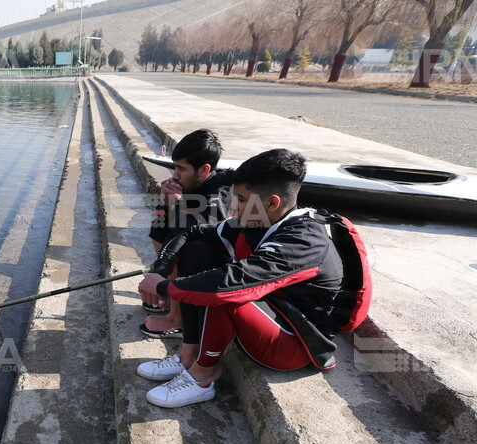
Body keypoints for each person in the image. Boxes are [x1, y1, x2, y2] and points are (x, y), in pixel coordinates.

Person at [136, 148, 345, 408]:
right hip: (270, 311)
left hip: (294, 343)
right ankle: (188, 355)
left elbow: (229, 284)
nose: (233, 207)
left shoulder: (303, 241)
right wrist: (161, 269)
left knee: (226, 290)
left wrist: (165, 287)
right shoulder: (259, 220)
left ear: (271, 203)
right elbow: (190, 232)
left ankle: (203, 375)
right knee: (197, 250)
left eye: (242, 199)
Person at [142, 128, 232, 339]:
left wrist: (177, 204)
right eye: (174, 167)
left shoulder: (221, 193)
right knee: (159, 227)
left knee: (184, 244)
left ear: (204, 170)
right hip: (196, 258)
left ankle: (178, 319)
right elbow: (163, 228)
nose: (174, 175)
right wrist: (165, 203)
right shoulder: (193, 182)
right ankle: (172, 297)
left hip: (220, 265)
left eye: (181, 169)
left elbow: (191, 233)